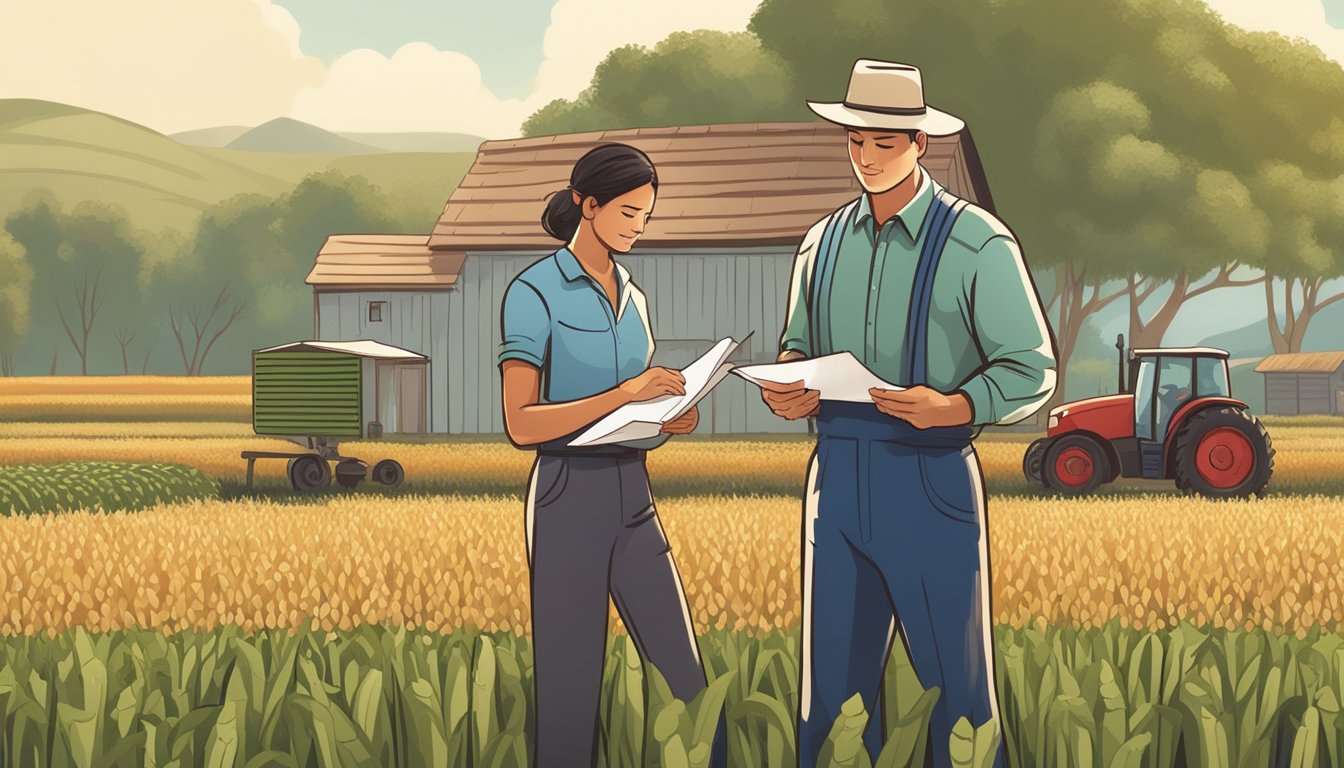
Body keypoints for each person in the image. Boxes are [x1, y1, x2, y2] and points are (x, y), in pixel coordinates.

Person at [760, 60, 1058, 768]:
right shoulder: (820, 242)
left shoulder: (977, 242)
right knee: (830, 700)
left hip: (930, 480)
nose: (866, 159)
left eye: (883, 144)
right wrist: (788, 387)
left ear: (921, 144)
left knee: (957, 697)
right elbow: (797, 343)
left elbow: (1032, 370)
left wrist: (956, 404)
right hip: (833, 482)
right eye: (856, 142)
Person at [498, 143, 726, 768]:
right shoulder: (534, 292)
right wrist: (624, 393)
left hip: (635, 495)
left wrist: (667, 418)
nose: (636, 228)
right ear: (586, 204)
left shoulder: (636, 297)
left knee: (687, 680)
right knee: (569, 693)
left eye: (646, 218)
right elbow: (521, 423)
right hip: (568, 495)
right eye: (627, 213)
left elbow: (632, 415)